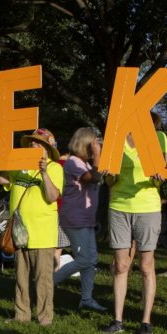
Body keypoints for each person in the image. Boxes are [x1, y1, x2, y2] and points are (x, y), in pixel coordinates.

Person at [100, 116, 167, 334]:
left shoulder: (159, 138)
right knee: (120, 266)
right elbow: (110, 182)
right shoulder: (115, 140)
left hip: (147, 207)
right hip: (119, 206)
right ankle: (118, 320)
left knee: (147, 266)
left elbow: (160, 178)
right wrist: (109, 176)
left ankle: (146, 322)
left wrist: (159, 178)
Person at [0, 130, 63, 325]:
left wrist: (43, 173)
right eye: (31, 143)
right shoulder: (19, 167)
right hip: (20, 232)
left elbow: (52, 196)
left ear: (48, 149)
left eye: (38, 144)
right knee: (20, 276)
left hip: (42, 233)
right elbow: (2, 179)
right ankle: (22, 315)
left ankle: (45, 318)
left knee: (43, 279)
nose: (33, 147)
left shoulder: (55, 168)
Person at [54, 127, 107, 313]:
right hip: (75, 219)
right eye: (94, 143)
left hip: (86, 219)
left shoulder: (84, 163)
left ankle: (86, 298)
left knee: (91, 260)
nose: (96, 146)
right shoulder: (73, 163)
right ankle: (47, 283)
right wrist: (99, 155)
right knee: (85, 259)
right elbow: (93, 178)